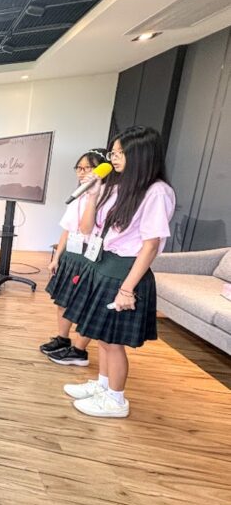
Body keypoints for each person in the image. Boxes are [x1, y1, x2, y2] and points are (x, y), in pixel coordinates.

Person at [62, 126, 175, 418]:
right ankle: (103, 386)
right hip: (104, 264)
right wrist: (92, 196)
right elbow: (87, 229)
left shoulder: (157, 192)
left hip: (125, 270)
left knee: (113, 341)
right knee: (101, 335)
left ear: (141, 154)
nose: (113, 158)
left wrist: (127, 289)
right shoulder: (117, 188)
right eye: (113, 152)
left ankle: (116, 400)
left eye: (121, 152)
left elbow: (150, 246)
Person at [41, 149, 109, 366]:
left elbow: (88, 228)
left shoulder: (107, 195)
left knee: (86, 307)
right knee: (63, 300)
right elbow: (68, 229)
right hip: (73, 253)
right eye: (78, 168)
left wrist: (92, 197)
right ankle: (62, 339)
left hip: (93, 257)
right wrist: (57, 257)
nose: (81, 172)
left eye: (87, 168)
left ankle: (79, 350)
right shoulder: (78, 194)